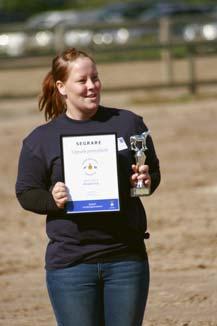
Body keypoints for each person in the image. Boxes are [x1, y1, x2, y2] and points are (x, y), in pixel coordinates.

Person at [16, 47, 161, 326]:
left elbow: (152, 173)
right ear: (61, 87)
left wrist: (143, 181)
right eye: (82, 81)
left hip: (126, 260)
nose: (92, 86)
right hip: (71, 264)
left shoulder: (129, 123)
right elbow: (26, 192)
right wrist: (52, 199)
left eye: (95, 78)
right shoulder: (40, 140)